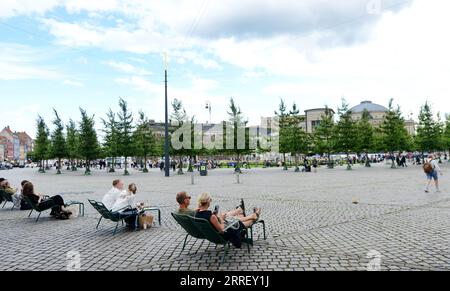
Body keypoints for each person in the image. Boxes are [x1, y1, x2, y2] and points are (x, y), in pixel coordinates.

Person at [195, 193, 261, 248]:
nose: (211, 201)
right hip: (224, 235)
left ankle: (242, 212)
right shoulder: (212, 217)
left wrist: (218, 217)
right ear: (208, 202)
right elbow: (222, 231)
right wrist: (221, 219)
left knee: (232, 218)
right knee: (239, 222)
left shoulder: (197, 214)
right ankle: (253, 216)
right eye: (210, 200)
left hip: (213, 234)